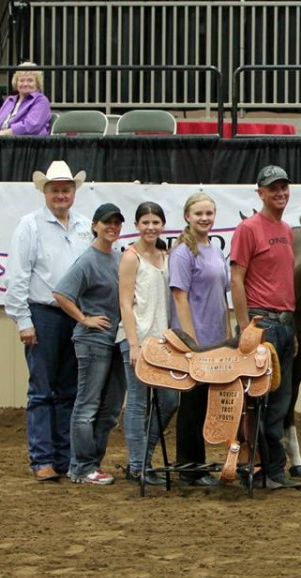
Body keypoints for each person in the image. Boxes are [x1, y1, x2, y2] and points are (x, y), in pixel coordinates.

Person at [4, 160, 92, 482]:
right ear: (45, 192)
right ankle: (42, 459)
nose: (61, 195)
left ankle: (63, 458)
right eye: (55, 189)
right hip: (43, 313)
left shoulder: (84, 226)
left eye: (66, 189)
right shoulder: (29, 225)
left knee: (69, 390)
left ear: (73, 192)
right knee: (42, 390)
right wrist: (23, 320)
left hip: (76, 315)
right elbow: (17, 276)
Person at [229, 165, 301, 490]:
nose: (280, 193)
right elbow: (236, 278)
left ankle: (275, 471)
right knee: (261, 402)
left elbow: (284, 283)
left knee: (280, 402)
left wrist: (294, 329)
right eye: (274, 188)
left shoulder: (286, 230)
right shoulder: (248, 228)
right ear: (260, 192)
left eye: (284, 187)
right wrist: (245, 326)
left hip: (284, 326)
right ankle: (262, 469)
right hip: (263, 325)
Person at [52, 203, 126, 485]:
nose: (112, 227)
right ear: (95, 225)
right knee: (87, 405)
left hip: (116, 340)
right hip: (93, 341)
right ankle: (81, 467)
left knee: (109, 410)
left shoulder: (119, 259)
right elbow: (61, 293)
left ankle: (91, 464)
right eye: (107, 222)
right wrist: (84, 318)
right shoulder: (87, 260)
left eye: (117, 223)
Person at [169, 192, 231, 487]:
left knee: (206, 405)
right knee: (192, 405)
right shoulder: (183, 252)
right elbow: (180, 297)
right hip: (198, 341)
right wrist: (191, 341)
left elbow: (222, 294)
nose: (205, 218)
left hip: (217, 337)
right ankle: (189, 468)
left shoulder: (214, 250)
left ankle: (197, 465)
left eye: (209, 214)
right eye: (199, 214)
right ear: (187, 217)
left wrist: (228, 335)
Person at [118, 201, 178, 486]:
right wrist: (133, 343)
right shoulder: (131, 257)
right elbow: (125, 302)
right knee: (138, 402)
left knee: (168, 401)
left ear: (163, 225)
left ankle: (144, 456)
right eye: (145, 222)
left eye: (156, 222)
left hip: (162, 342)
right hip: (138, 339)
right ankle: (136, 465)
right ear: (137, 225)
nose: (151, 227)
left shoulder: (166, 256)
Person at [0, 62, 51, 136]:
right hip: (2, 142)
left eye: (30, 80)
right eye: (21, 80)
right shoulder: (10, 100)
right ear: (16, 83)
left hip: (27, 144)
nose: (25, 84)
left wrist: (0, 134)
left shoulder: (41, 101)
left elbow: (30, 126)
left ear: (37, 84)